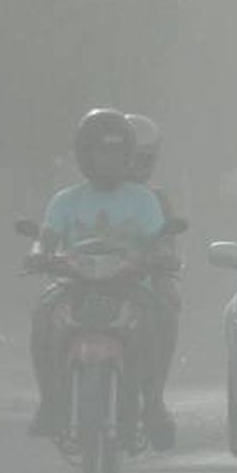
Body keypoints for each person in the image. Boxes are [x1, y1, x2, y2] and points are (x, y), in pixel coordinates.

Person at [28, 109, 170, 445]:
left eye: (118, 154)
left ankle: (153, 403)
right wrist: (38, 253)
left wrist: (161, 256)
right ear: (84, 156)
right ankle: (50, 401)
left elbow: (158, 239)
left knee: (162, 317)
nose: (110, 161)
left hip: (130, 286)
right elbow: (46, 237)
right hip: (74, 285)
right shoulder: (65, 201)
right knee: (42, 316)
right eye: (101, 153)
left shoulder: (144, 199)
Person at [125, 113, 181, 451]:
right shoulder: (77, 197)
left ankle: (154, 398)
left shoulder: (156, 199)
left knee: (168, 304)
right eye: (128, 158)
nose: (134, 166)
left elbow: (168, 244)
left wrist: (162, 261)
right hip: (86, 279)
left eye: (142, 159)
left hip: (142, 282)